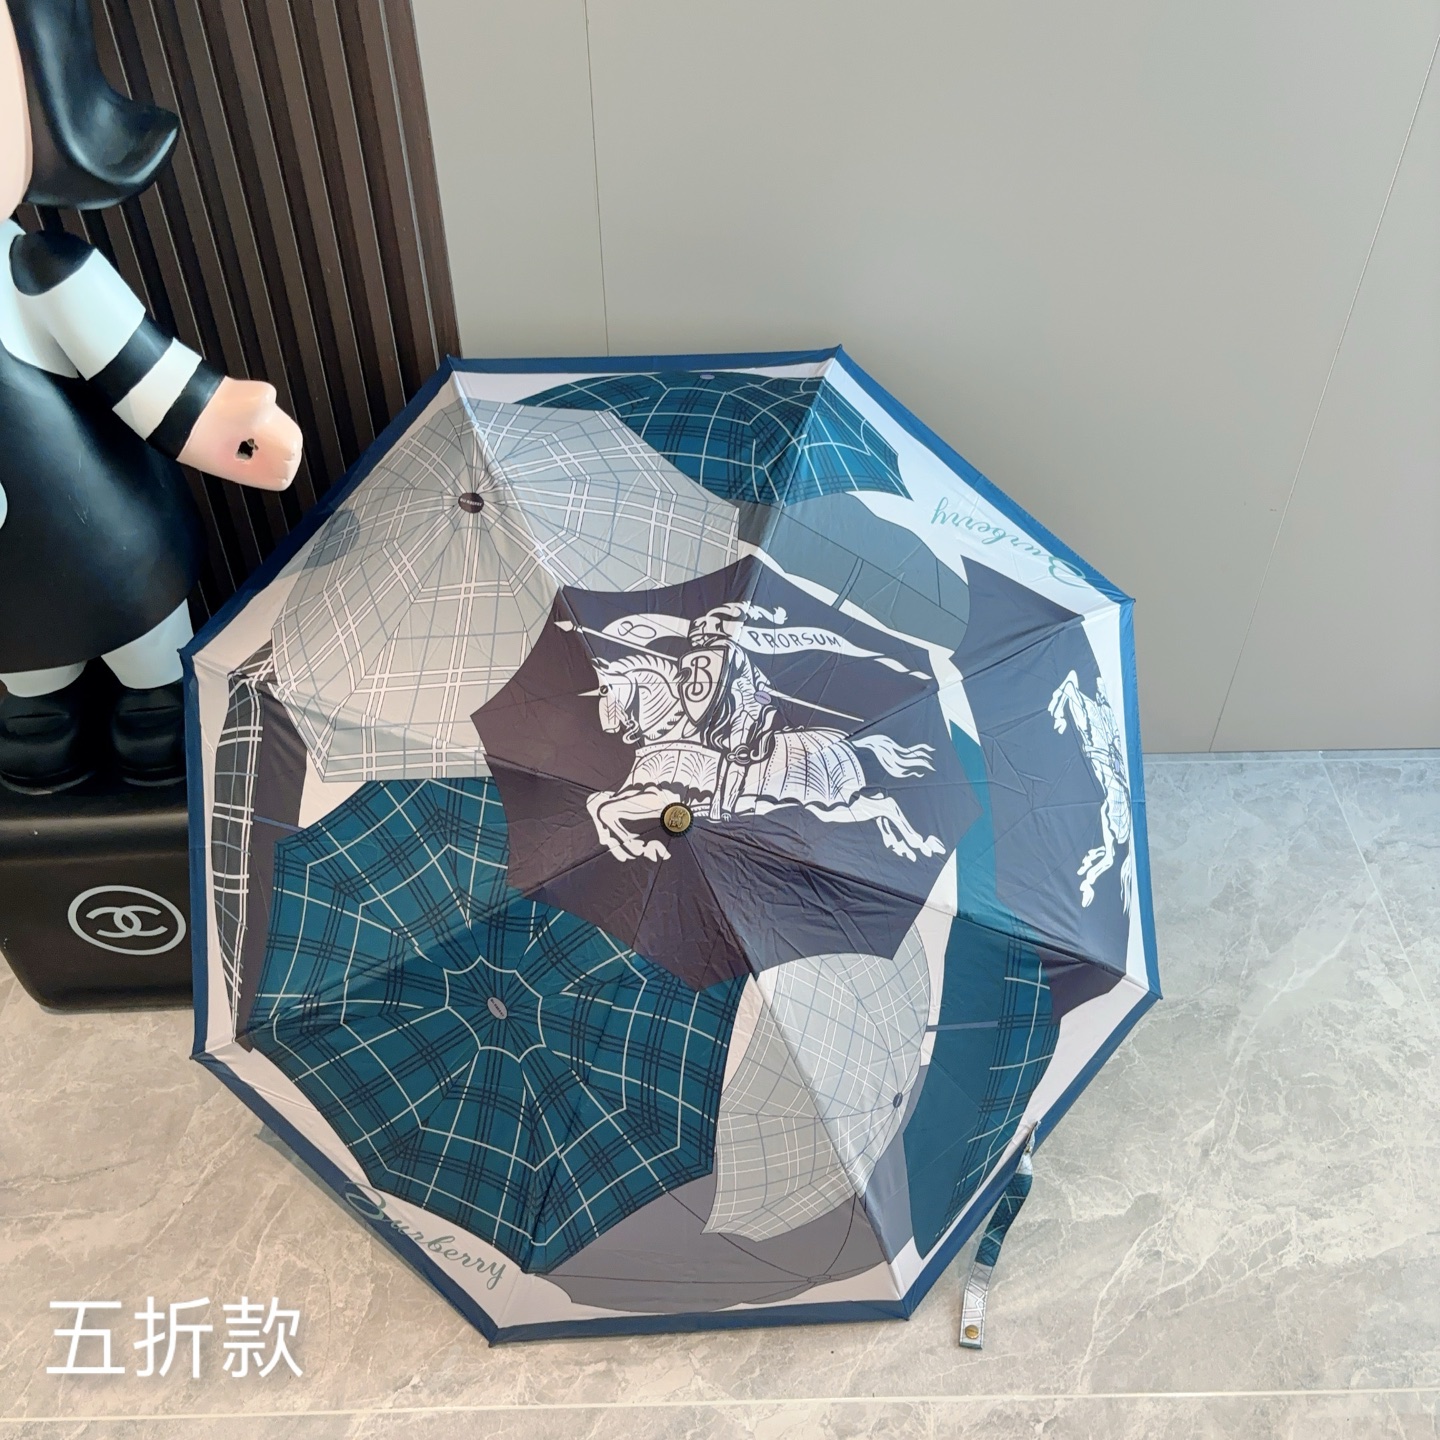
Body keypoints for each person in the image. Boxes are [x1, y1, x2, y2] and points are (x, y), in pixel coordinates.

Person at [0, 0, 300, 792]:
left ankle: (155, 689)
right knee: (26, 663)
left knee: (145, 640)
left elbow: (147, 375)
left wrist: (227, 422)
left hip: (108, 536)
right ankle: (38, 699)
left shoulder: (43, 274)